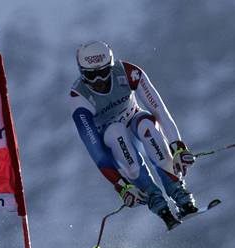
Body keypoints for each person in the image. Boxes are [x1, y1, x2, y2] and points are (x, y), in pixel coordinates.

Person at [69, 41, 198, 230]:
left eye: (104, 73)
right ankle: (157, 203)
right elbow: (95, 150)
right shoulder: (78, 97)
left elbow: (158, 110)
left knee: (148, 126)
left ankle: (179, 192)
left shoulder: (128, 72)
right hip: (111, 138)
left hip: (134, 120)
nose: (99, 81)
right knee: (116, 133)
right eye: (91, 76)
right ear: (82, 73)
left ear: (111, 67)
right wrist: (121, 186)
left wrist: (178, 146)